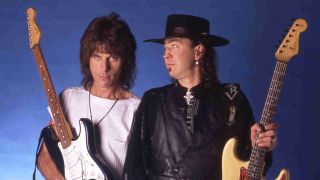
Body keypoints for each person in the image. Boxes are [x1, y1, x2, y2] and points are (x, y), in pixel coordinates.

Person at [123, 14, 278, 179]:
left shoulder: (231, 99)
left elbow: (248, 169)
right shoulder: (153, 100)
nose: (166, 55)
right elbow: (134, 165)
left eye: (174, 46)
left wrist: (261, 147)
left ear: (198, 51)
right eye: (165, 48)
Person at [36, 13, 140, 180]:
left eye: (113, 58)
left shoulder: (138, 109)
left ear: (125, 62)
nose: (103, 67)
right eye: (97, 56)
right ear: (87, 58)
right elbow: (44, 158)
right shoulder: (68, 97)